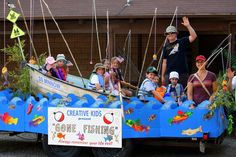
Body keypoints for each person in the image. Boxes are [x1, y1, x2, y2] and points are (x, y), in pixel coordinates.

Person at [161, 16, 197, 88]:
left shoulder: (182, 41)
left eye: (172, 32)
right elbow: (164, 62)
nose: (170, 34)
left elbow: (194, 36)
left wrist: (188, 26)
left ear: (176, 33)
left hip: (182, 73)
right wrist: (162, 75)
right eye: (168, 33)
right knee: (168, 93)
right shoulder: (165, 47)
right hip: (169, 74)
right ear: (166, 35)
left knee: (182, 93)